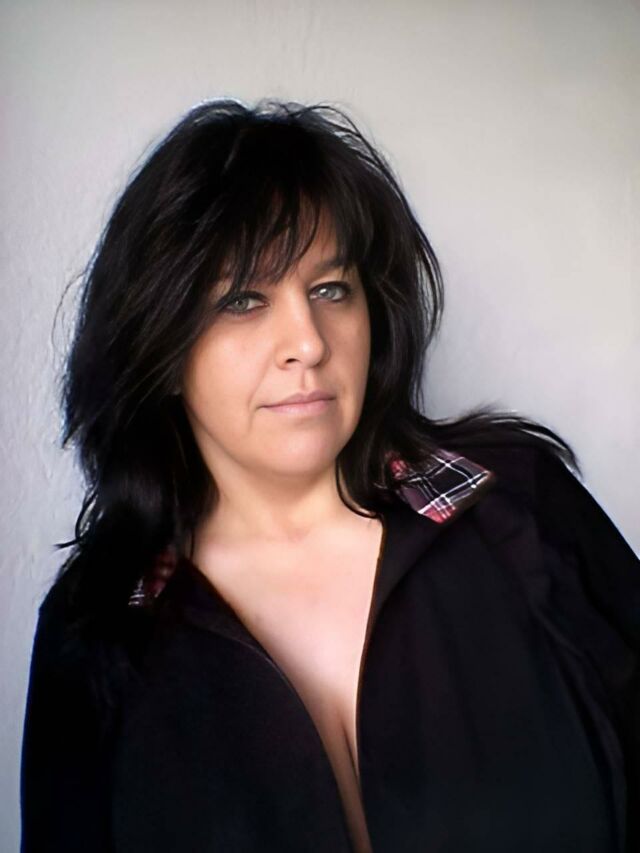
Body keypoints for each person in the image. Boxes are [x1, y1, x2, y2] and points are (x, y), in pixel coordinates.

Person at [20, 97, 639, 852]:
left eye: (330, 289)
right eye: (243, 300)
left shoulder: (517, 506)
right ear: (161, 347)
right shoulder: (97, 628)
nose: (309, 342)